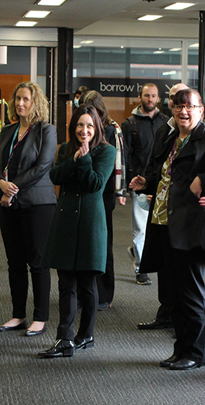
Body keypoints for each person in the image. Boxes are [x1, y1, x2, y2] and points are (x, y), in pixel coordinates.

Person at [131, 88, 205, 370]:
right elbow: (165, 176)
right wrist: (146, 182)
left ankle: (196, 352)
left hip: (191, 226)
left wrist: (203, 178)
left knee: (191, 293)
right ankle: (181, 349)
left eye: (189, 107)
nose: (183, 112)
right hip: (165, 222)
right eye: (177, 107)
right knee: (173, 294)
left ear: (201, 110)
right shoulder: (171, 137)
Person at [38, 105, 115, 358]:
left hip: (91, 224)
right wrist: (73, 159)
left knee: (87, 283)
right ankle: (65, 338)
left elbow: (95, 184)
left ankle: (86, 334)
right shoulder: (65, 149)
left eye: (90, 125)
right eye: (80, 125)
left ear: (97, 128)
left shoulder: (107, 151)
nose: (85, 130)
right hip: (66, 222)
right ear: (73, 127)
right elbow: (55, 175)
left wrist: (83, 160)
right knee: (66, 282)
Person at [0, 82, 57, 337]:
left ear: (35, 102)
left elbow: (42, 167)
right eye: (17, 98)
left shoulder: (46, 130)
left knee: (37, 263)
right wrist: (0, 183)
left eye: (25, 99)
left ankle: (40, 317)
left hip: (37, 204)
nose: (20, 103)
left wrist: (11, 188)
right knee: (15, 263)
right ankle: (18, 315)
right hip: (9, 203)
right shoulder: (8, 130)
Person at [136, 82, 189, 331]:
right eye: (173, 99)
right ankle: (166, 313)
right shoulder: (164, 130)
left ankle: (182, 321)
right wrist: (148, 183)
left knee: (182, 271)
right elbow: (156, 166)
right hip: (161, 209)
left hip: (184, 213)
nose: (177, 105)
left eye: (182, 100)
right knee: (165, 266)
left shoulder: (200, 135)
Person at [79, 90, 126, 310]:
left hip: (104, 192)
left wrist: (120, 191)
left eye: (95, 111)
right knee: (84, 244)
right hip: (83, 190)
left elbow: (119, 162)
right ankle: (85, 293)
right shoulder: (81, 128)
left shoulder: (111, 129)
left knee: (102, 245)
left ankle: (104, 295)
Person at [122, 83, 168, 286]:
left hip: (161, 183)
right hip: (140, 183)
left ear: (158, 99)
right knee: (141, 228)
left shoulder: (166, 122)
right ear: (140, 97)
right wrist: (125, 185)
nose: (150, 99)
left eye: (153, 96)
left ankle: (138, 251)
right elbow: (125, 156)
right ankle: (141, 269)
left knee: (157, 227)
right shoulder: (130, 124)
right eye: (147, 95)